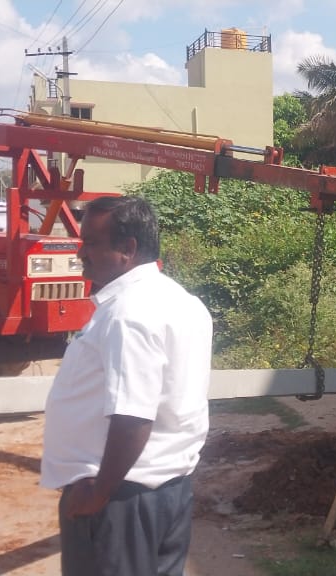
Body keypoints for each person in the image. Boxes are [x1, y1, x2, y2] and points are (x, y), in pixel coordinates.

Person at [41, 195, 214, 576]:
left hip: (119, 499)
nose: (80, 253)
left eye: (90, 243)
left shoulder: (128, 315)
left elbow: (133, 417)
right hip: (166, 491)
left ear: (128, 249)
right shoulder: (184, 302)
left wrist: (99, 492)